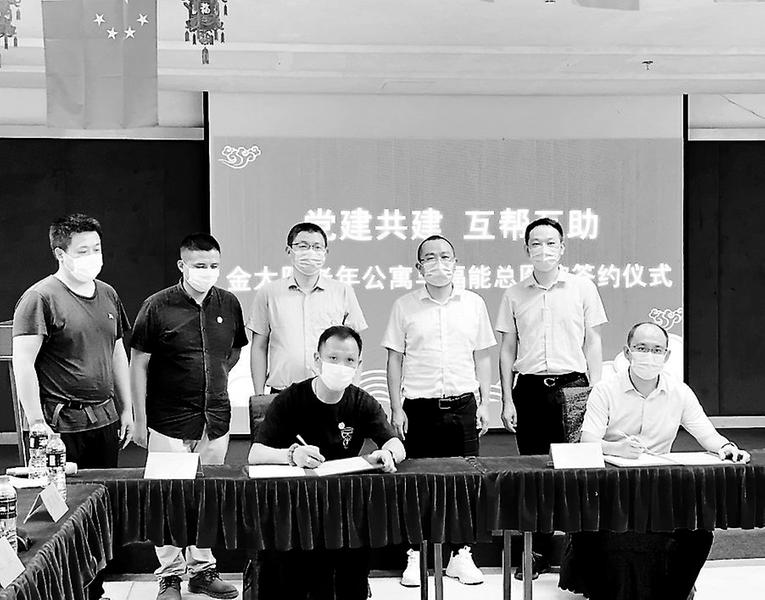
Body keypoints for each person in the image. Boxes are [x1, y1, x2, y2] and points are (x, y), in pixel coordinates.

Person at [559, 321, 750, 600]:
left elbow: (707, 434)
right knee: (599, 534)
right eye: (641, 348)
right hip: (612, 486)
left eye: (657, 349)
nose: (649, 355)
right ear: (627, 352)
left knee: (697, 530)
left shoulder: (679, 392)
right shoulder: (605, 390)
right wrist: (615, 449)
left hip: (660, 487)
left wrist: (726, 447)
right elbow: (587, 441)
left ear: (667, 355)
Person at [12, 213, 133, 600]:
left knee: (100, 513)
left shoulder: (108, 293)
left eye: (97, 248)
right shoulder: (40, 298)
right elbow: (23, 363)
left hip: (104, 420)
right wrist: (36, 421)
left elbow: (117, 350)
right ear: (60, 253)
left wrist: (128, 408)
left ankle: (96, 589)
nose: (93, 256)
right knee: (60, 518)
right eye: (83, 250)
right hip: (59, 427)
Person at [130, 233, 248, 600]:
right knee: (168, 498)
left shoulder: (229, 303)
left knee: (206, 499)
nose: (207, 271)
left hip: (215, 420)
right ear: (182, 265)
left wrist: (211, 378)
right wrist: (139, 418)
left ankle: (202, 570)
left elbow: (233, 352)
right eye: (200, 265)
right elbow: (138, 363)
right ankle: (169, 576)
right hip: (168, 420)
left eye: (214, 265)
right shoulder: (157, 306)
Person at [249, 325, 405, 600]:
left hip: (344, 509)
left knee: (350, 578)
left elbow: (395, 443)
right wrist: (291, 455)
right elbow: (255, 454)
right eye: (333, 358)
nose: (341, 366)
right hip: (295, 509)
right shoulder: (290, 399)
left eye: (349, 360)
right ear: (317, 359)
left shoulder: (361, 402)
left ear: (359, 365)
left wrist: (389, 454)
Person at [495, 217, 607, 580]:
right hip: (529, 389)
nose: (543, 250)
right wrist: (507, 400)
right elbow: (507, 348)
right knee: (535, 474)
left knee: (577, 473)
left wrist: (596, 390)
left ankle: (581, 554)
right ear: (526, 249)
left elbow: (593, 341)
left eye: (550, 243)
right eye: (536, 243)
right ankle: (537, 551)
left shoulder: (582, 287)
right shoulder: (514, 293)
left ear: (562, 248)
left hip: (573, 387)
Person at [382, 234, 495, 587]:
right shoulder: (404, 306)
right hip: (419, 408)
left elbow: (482, 356)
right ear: (419, 267)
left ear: (456, 262)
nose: (438, 263)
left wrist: (485, 402)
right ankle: (416, 555)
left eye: (445, 256)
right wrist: (396, 407)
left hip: (463, 405)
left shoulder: (473, 304)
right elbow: (395, 358)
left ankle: (461, 555)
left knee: (465, 484)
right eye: (430, 257)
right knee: (417, 484)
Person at [248, 222, 367, 395]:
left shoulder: (342, 291)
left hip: (330, 391)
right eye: (303, 246)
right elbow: (259, 346)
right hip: (283, 392)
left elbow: (355, 348)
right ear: (289, 250)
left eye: (317, 247)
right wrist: (259, 395)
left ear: (325, 252)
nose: (311, 252)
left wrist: (352, 392)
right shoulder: (269, 293)